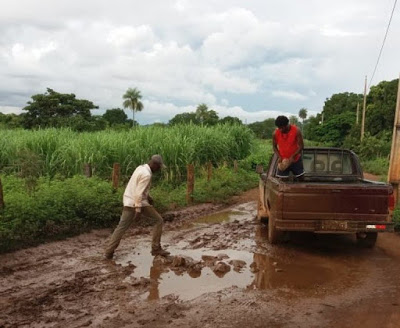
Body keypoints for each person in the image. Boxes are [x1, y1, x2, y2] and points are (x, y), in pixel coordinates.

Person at [105, 154, 170, 259]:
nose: (158, 170)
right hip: (136, 203)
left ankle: (109, 252)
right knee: (159, 220)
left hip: (128, 200)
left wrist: (148, 196)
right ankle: (156, 248)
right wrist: (138, 210)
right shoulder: (147, 175)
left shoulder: (140, 168)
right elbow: (138, 194)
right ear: (154, 164)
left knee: (121, 228)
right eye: (158, 167)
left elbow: (137, 187)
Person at [272, 115, 305, 180]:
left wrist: (293, 156)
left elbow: (301, 146)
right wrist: (279, 157)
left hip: (295, 160)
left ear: (287, 124)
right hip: (283, 161)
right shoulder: (275, 133)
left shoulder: (296, 130)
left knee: (301, 178)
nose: (280, 130)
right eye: (279, 128)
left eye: (282, 128)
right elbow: (274, 147)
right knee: (282, 181)